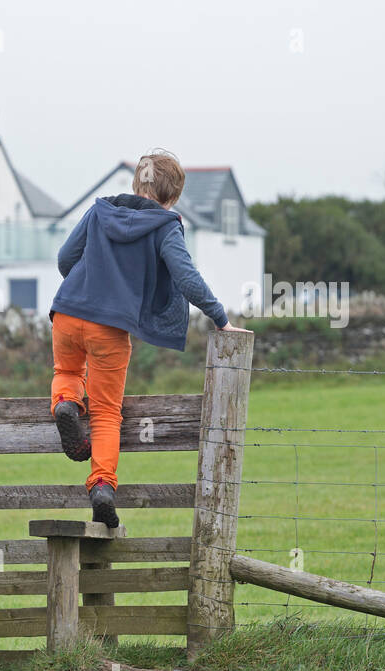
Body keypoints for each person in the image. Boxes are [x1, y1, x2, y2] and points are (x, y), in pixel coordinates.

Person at [48, 149, 247, 528]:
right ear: (173, 196)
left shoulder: (99, 210)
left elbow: (64, 258)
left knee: (67, 370)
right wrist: (220, 319)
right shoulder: (165, 226)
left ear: (136, 183)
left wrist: (88, 287)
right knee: (107, 412)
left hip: (67, 312)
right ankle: (102, 485)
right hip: (109, 329)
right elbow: (186, 278)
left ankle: (66, 404)